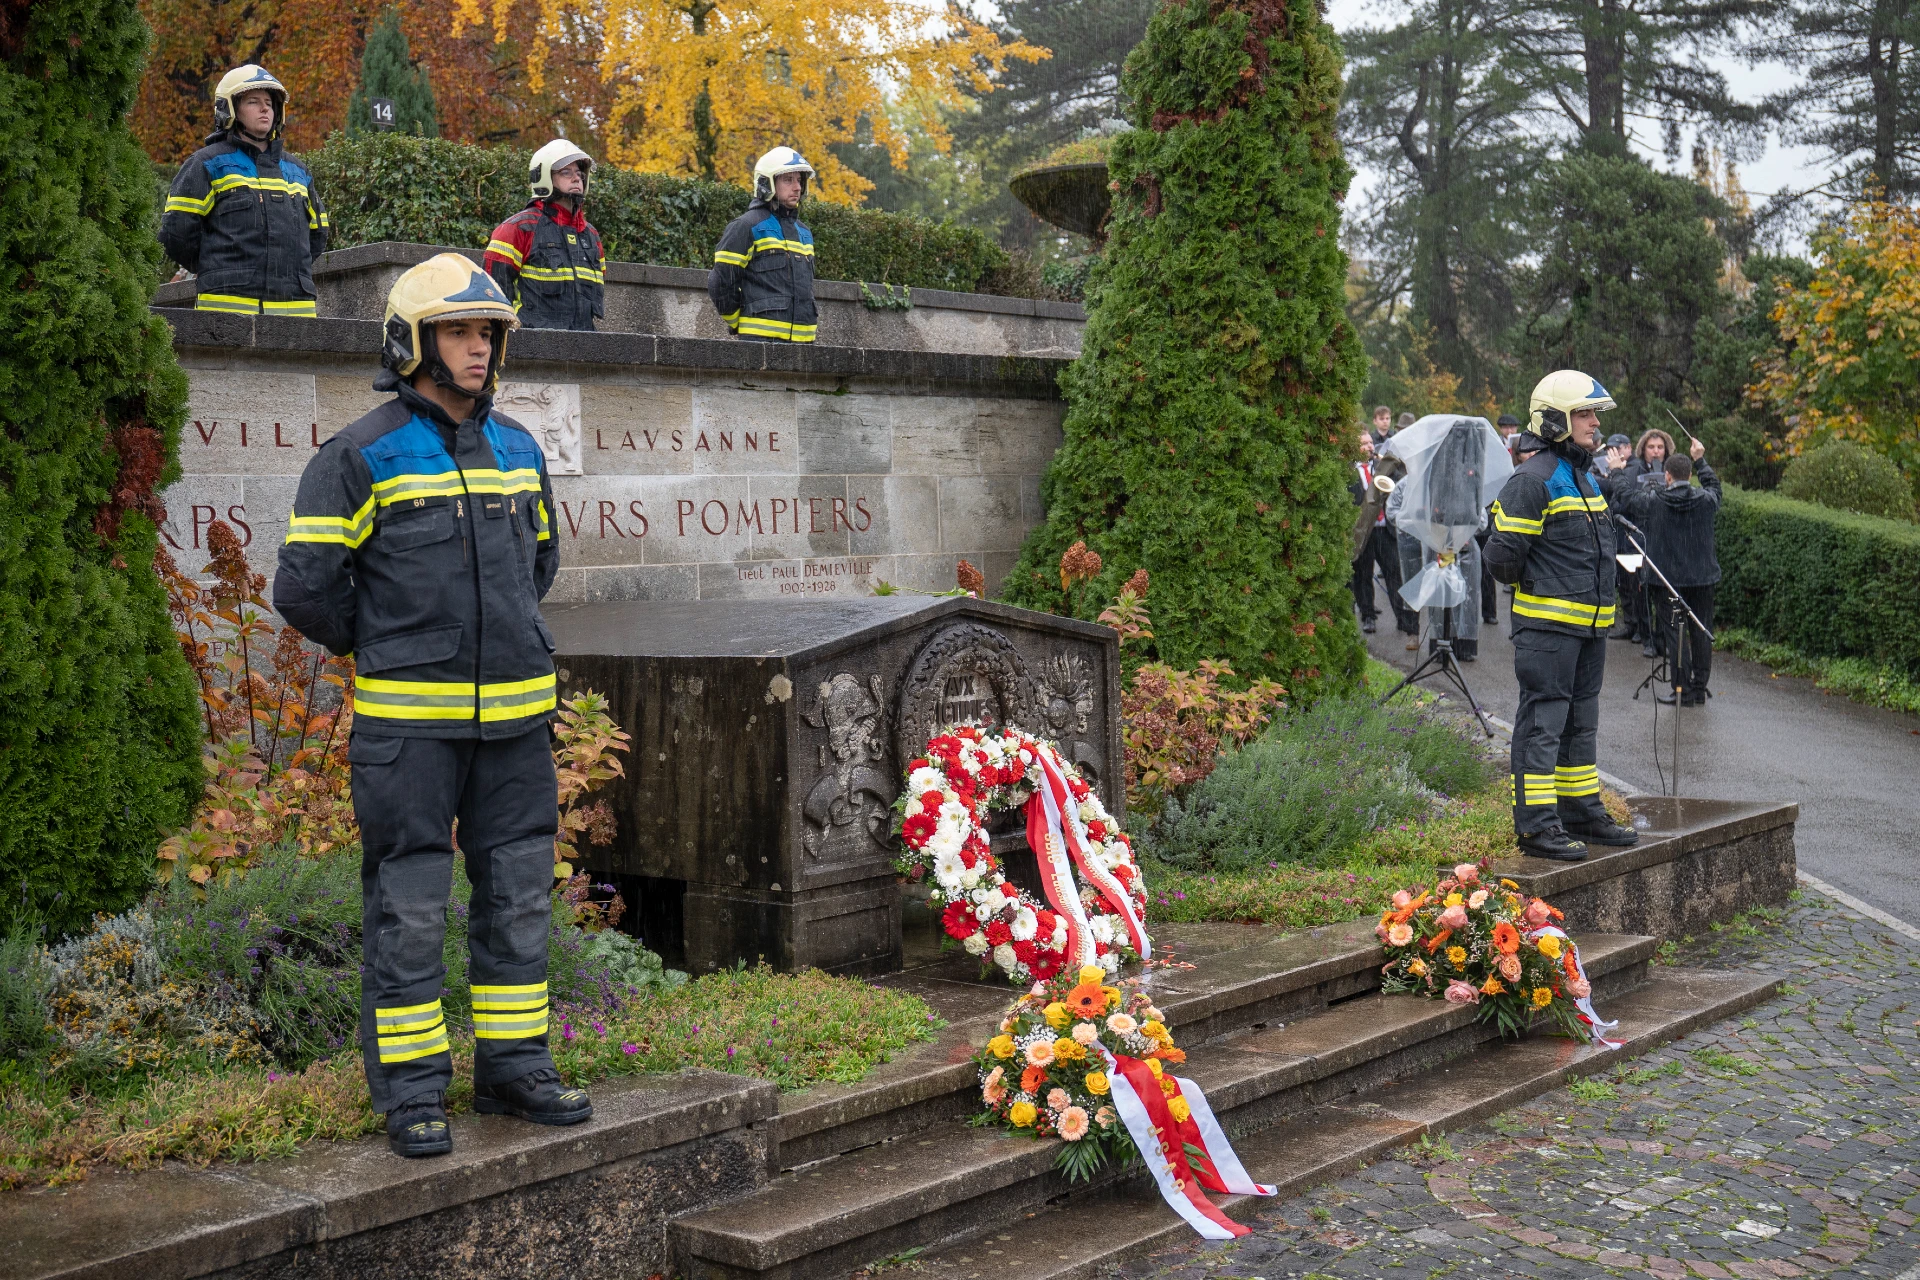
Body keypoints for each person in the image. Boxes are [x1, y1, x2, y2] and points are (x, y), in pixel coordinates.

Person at [274, 253, 590, 1158]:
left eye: (487, 333)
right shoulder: (358, 455)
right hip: (408, 733)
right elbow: (304, 588)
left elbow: (538, 565)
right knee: (410, 908)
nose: (478, 348)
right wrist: (387, 644)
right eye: (458, 332)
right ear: (411, 342)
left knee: (519, 899)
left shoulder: (521, 449)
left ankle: (514, 1069)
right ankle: (412, 1091)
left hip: (516, 727)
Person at [1484, 370, 1640, 862]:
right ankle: (1536, 827)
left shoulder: (1584, 476)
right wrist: (1543, 591)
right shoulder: (1533, 479)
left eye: (1594, 414)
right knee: (1543, 726)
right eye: (1585, 414)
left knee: (1579, 724)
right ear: (1555, 420)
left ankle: (1579, 811)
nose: (1595, 423)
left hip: (1589, 629)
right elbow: (1500, 559)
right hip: (1548, 631)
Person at [161, 65, 328, 317]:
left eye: (269, 103)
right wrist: (219, 270)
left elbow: (317, 236)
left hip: (296, 316)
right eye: (253, 102)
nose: (264, 109)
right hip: (224, 316)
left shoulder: (298, 171)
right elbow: (176, 234)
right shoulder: (206, 164)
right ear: (230, 110)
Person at [1617, 440, 1720, 706]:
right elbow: (1714, 487)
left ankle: (1681, 688)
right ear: (1690, 476)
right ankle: (1699, 688)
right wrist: (1701, 460)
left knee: (1676, 635)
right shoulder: (1706, 500)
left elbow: (1627, 498)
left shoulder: (1655, 501)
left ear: (1667, 476)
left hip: (1667, 582)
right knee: (1701, 632)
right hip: (1701, 579)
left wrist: (1617, 471)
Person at [484, 139, 606, 331]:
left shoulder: (590, 236)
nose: (576, 179)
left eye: (579, 173)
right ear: (543, 177)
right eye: (566, 172)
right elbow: (493, 295)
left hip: (585, 344)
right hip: (533, 343)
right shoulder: (518, 228)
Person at [709, 148, 819, 343]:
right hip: (760, 344)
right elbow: (720, 282)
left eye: (799, 180)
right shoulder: (746, 226)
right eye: (788, 180)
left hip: (804, 346)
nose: (797, 187)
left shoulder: (804, 233)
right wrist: (736, 321)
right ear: (767, 183)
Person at [1349, 431, 1397, 633]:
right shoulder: (1348, 472)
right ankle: (1368, 616)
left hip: (1384, 529)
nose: (1370, 447)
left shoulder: (1382, 467)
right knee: (1364, 574)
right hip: (1363, 531)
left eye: (1370, 442)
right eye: (1364, 444)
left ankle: (1404, 619)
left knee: (1394, 572)